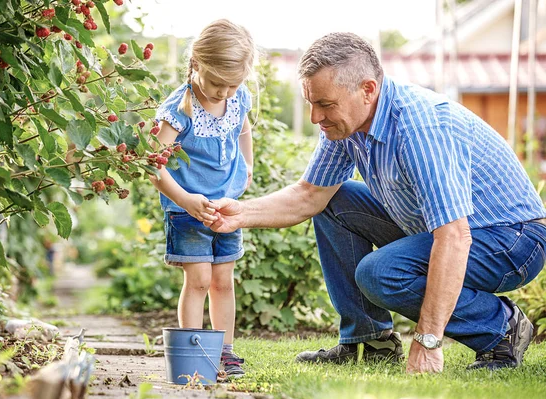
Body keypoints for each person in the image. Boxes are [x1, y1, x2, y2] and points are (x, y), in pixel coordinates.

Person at [205, 32, 546, 374]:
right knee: (334, 200)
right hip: (448, 231)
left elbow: (454, 236)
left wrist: (428, 340)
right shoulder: (346, 126)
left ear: (367, 90)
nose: (314, 117)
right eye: (311, 102)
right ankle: (371, 341)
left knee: (380, 273)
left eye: (325, 104)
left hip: (511, 239)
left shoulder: (419, 128)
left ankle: (500, 328)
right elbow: (310, 194)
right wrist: (241, 213)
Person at [149, 19, 257, 379]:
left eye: (233, 85)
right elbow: (155, 167)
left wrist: (247, 167)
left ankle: (225, 353)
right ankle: (193, 355)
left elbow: (244, 129)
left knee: (222, 281)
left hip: (225, 209)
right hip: (187, 210)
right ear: (196, 63)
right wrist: (185, 200)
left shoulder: (236, 97)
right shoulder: (179, 110)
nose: (225, 93)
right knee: (197, 281)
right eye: (216, 84)